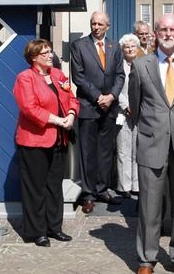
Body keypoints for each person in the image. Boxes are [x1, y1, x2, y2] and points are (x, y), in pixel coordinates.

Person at [129, 13, 174, 274]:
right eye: (163, 30)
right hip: (152, 143)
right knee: (149, 206)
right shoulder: (140, 66)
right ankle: (146, 259)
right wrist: (152, 129)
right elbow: (135, 107)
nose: (168, 34)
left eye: (173, 29)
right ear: (155, 34)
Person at [13, 39, 78, 247]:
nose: (51, 55)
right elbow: (30, 109)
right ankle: (37, 231)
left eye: (51, 52)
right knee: (35, 187)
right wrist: (58, 120)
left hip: (59, 139)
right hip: (34, 142)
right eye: (45, 53)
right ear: (34, 58)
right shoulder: (25, 78)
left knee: (54, 185)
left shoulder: (58, 75)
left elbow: (72, 99)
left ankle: (54, 227)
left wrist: (70, 114)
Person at [70, 11, 125, 214]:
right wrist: (98, 97)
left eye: (100, 24)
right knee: (88, 153)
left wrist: (110, 96)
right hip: (89, 106)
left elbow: (120, 75)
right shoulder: (79, 46)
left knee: (105, 151)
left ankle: (102, 189)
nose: (96, 27)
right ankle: (88, 194)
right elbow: (79, 77)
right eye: (93, 23)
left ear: (107, 26)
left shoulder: (115, 47)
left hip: (109, 107)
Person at [116, 33, 140, 196]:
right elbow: (114, 87)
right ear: (122, 50)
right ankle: (124, 186)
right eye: (127, 47)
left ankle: (137, 186)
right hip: (122, 113)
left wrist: (137, 106)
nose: (130, 49)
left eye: (132, 46)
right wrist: (126, 106)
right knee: (123, 151)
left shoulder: (144, 65)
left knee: (138, 151)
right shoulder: (118, 66)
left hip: (140, 113)